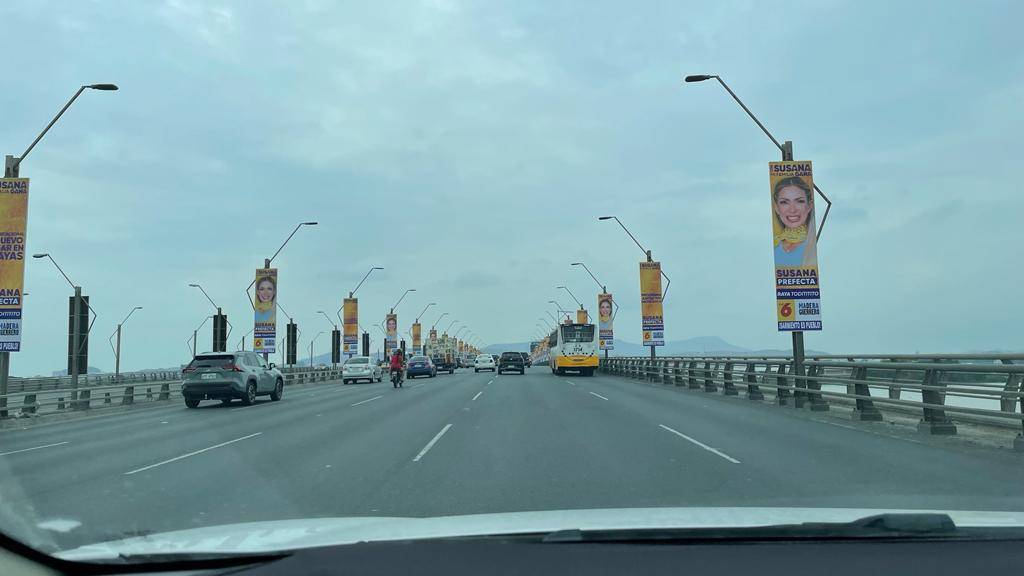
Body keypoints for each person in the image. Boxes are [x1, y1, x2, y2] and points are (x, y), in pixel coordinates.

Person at [771, 176, 818, 267]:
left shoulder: (813, 244)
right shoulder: (774, 245)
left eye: (799, 201)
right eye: (784, 202)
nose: (792, 210)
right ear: (776, 208)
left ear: (809, 206)